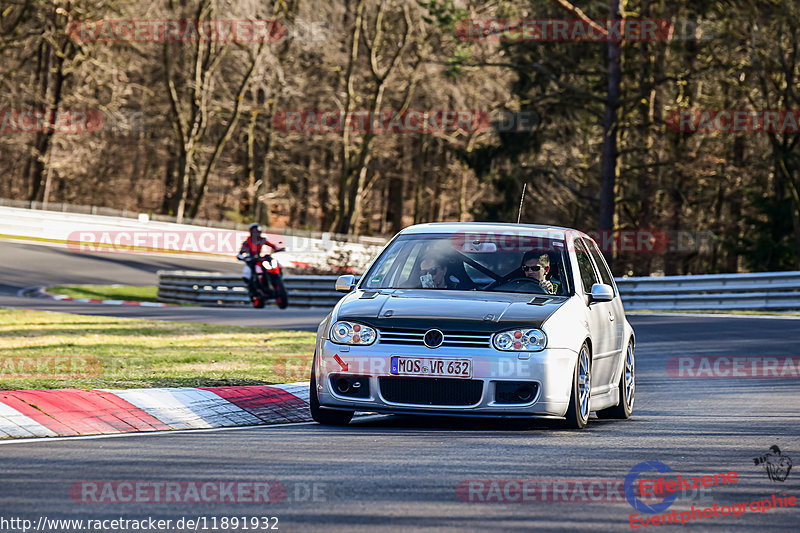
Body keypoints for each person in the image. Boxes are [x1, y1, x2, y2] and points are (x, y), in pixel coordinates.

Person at [237, 223, 283, 292]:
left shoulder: (262, 239)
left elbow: (272, 245)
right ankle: (253, 287)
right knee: (247, 273)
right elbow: (241, 253)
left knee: (273, 263)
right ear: (251, 231)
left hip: (260, 259)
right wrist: (242, 257)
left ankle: (275, 278)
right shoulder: (247, 241)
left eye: (257, 230)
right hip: (251, 260)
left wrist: (278, 249)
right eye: (254, 230)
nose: (256, 232)